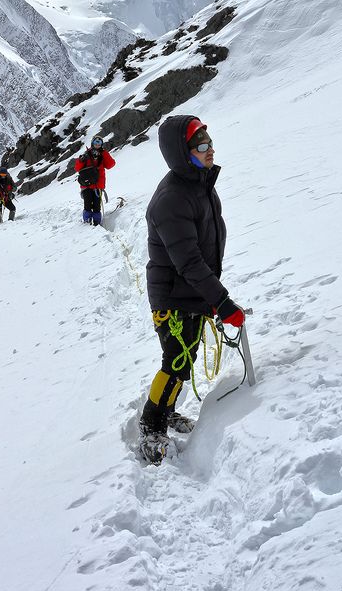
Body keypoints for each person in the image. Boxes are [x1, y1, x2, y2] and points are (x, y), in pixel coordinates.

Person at [138, 116, 246, 465]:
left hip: (190, 293)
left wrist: (209, 297)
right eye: (201, 144)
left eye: (209, 140)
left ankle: (166, 413)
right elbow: (189, 262)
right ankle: (151, 424)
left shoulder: (198, 183)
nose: (210, 147)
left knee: (185, 359)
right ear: (183, 153)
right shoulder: (173, 199)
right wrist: (221, 301)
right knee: (176, 363)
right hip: (173, 297)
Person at [74, 135, 115, 226]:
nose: (97, 144)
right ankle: (87, 222)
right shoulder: (86, 154)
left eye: (99, 142)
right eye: (96, 142)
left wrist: (103, 153)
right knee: (87, 205)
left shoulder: (103, 154)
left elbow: (110, 164)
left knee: (97, 207)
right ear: (92, 143)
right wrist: (81, 160)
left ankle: (97, 223)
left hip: (98, 185)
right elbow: (77, 168)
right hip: (87, 185)